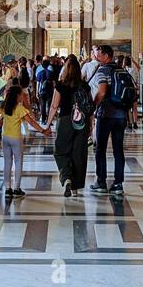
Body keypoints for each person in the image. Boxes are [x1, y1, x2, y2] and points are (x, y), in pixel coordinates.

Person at [89, 43, 136, 195]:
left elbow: (102, 92)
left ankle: (101, 182)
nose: (97, 56)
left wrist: (93, 106)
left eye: (100, 54)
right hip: (121, 115)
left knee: (100, 149)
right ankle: (118, 184)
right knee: (118, 150)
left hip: (106, 114)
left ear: (106, 56)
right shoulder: (121, 69)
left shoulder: (103, 69)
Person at [0, 76, 47, 199]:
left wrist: (1, 124)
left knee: (7, 163)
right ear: (17, 95)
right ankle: (17, 188)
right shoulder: (19, 108)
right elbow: (31, 122)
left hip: (5, 137)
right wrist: (43, 130)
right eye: (21, 95)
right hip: (15, 139)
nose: (22, 96)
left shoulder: (4, 105)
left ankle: (7, 189)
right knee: (18, 163)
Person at [47, 54, 90, 195]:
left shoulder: (61, 85)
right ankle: (76, 187)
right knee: (79, 154)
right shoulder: (85, 85)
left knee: (61, 151)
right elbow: (89, 107)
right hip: (82, 121)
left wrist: (47, 125)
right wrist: (91, 126)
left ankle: (66, 178)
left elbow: (54, 106)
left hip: (65, 120)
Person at [35, 53, 55, 123]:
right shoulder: (51, 72)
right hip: (49, 91)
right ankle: (49, 120)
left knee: (43, 105)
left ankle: (43, 120)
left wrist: (37, 92)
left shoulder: (40, 73)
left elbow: (38, 83)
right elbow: (53, 83)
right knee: (49, 106)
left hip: (42, 91)